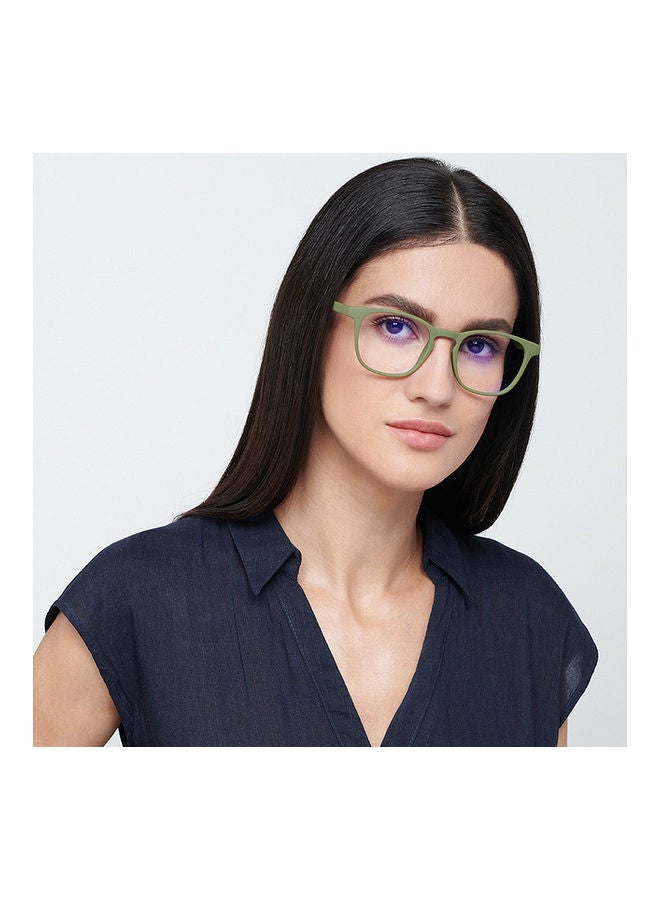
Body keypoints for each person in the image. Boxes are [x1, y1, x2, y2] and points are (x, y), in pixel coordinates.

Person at [33, 156, 598, 747]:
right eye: (396, 326)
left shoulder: (529, 620)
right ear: (311, 329)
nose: (437, 388)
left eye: (480, 344)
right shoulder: (137, 597)